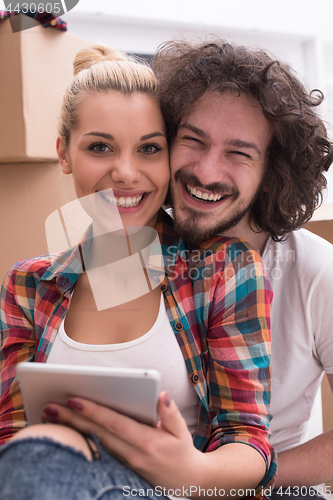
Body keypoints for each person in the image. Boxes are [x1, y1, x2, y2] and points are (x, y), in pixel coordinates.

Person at [0, 44, 276, 499]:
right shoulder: (29, 285)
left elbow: (250, 442)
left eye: (149, 148)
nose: (125, 173)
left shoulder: (224, 270)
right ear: (64, 154)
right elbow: (12, 436)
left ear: (169, 159)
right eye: (100, 147)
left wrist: (192, 473)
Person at [153, 39, 333, 496]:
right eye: (192, 140)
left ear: (273, 171)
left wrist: (231, 479)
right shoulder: (130, 246)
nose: (207, 171)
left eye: (239, 152)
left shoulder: (316, 271)